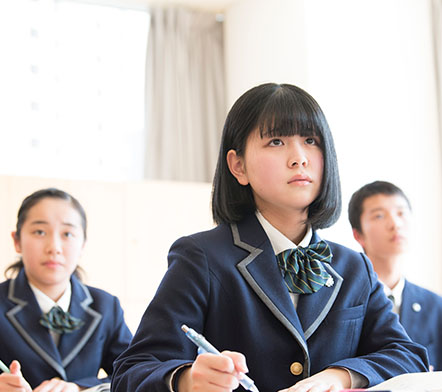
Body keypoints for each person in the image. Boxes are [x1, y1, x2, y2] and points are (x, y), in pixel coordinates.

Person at [111, 83, 428, 392]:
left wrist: (340, 375)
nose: (299, 157)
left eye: (311, 140)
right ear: (238, 166)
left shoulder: (353, 267)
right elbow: (132, 371)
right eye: (276, 141)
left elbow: (408, 356)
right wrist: (186, 379)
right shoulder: (201, 257)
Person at [0, 188, 132, 391]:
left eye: (67, 234)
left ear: (83, 245)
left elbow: (135, 374)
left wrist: (80, 388)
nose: (54, 247)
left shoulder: (106, 306)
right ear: (17, 241)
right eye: (39, 232)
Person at [348, 180, 442, 371]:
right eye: (379, 216)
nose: (395, 224)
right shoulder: (347, 303)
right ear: (358, 235)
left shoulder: (435, 305)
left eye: (401, 213)